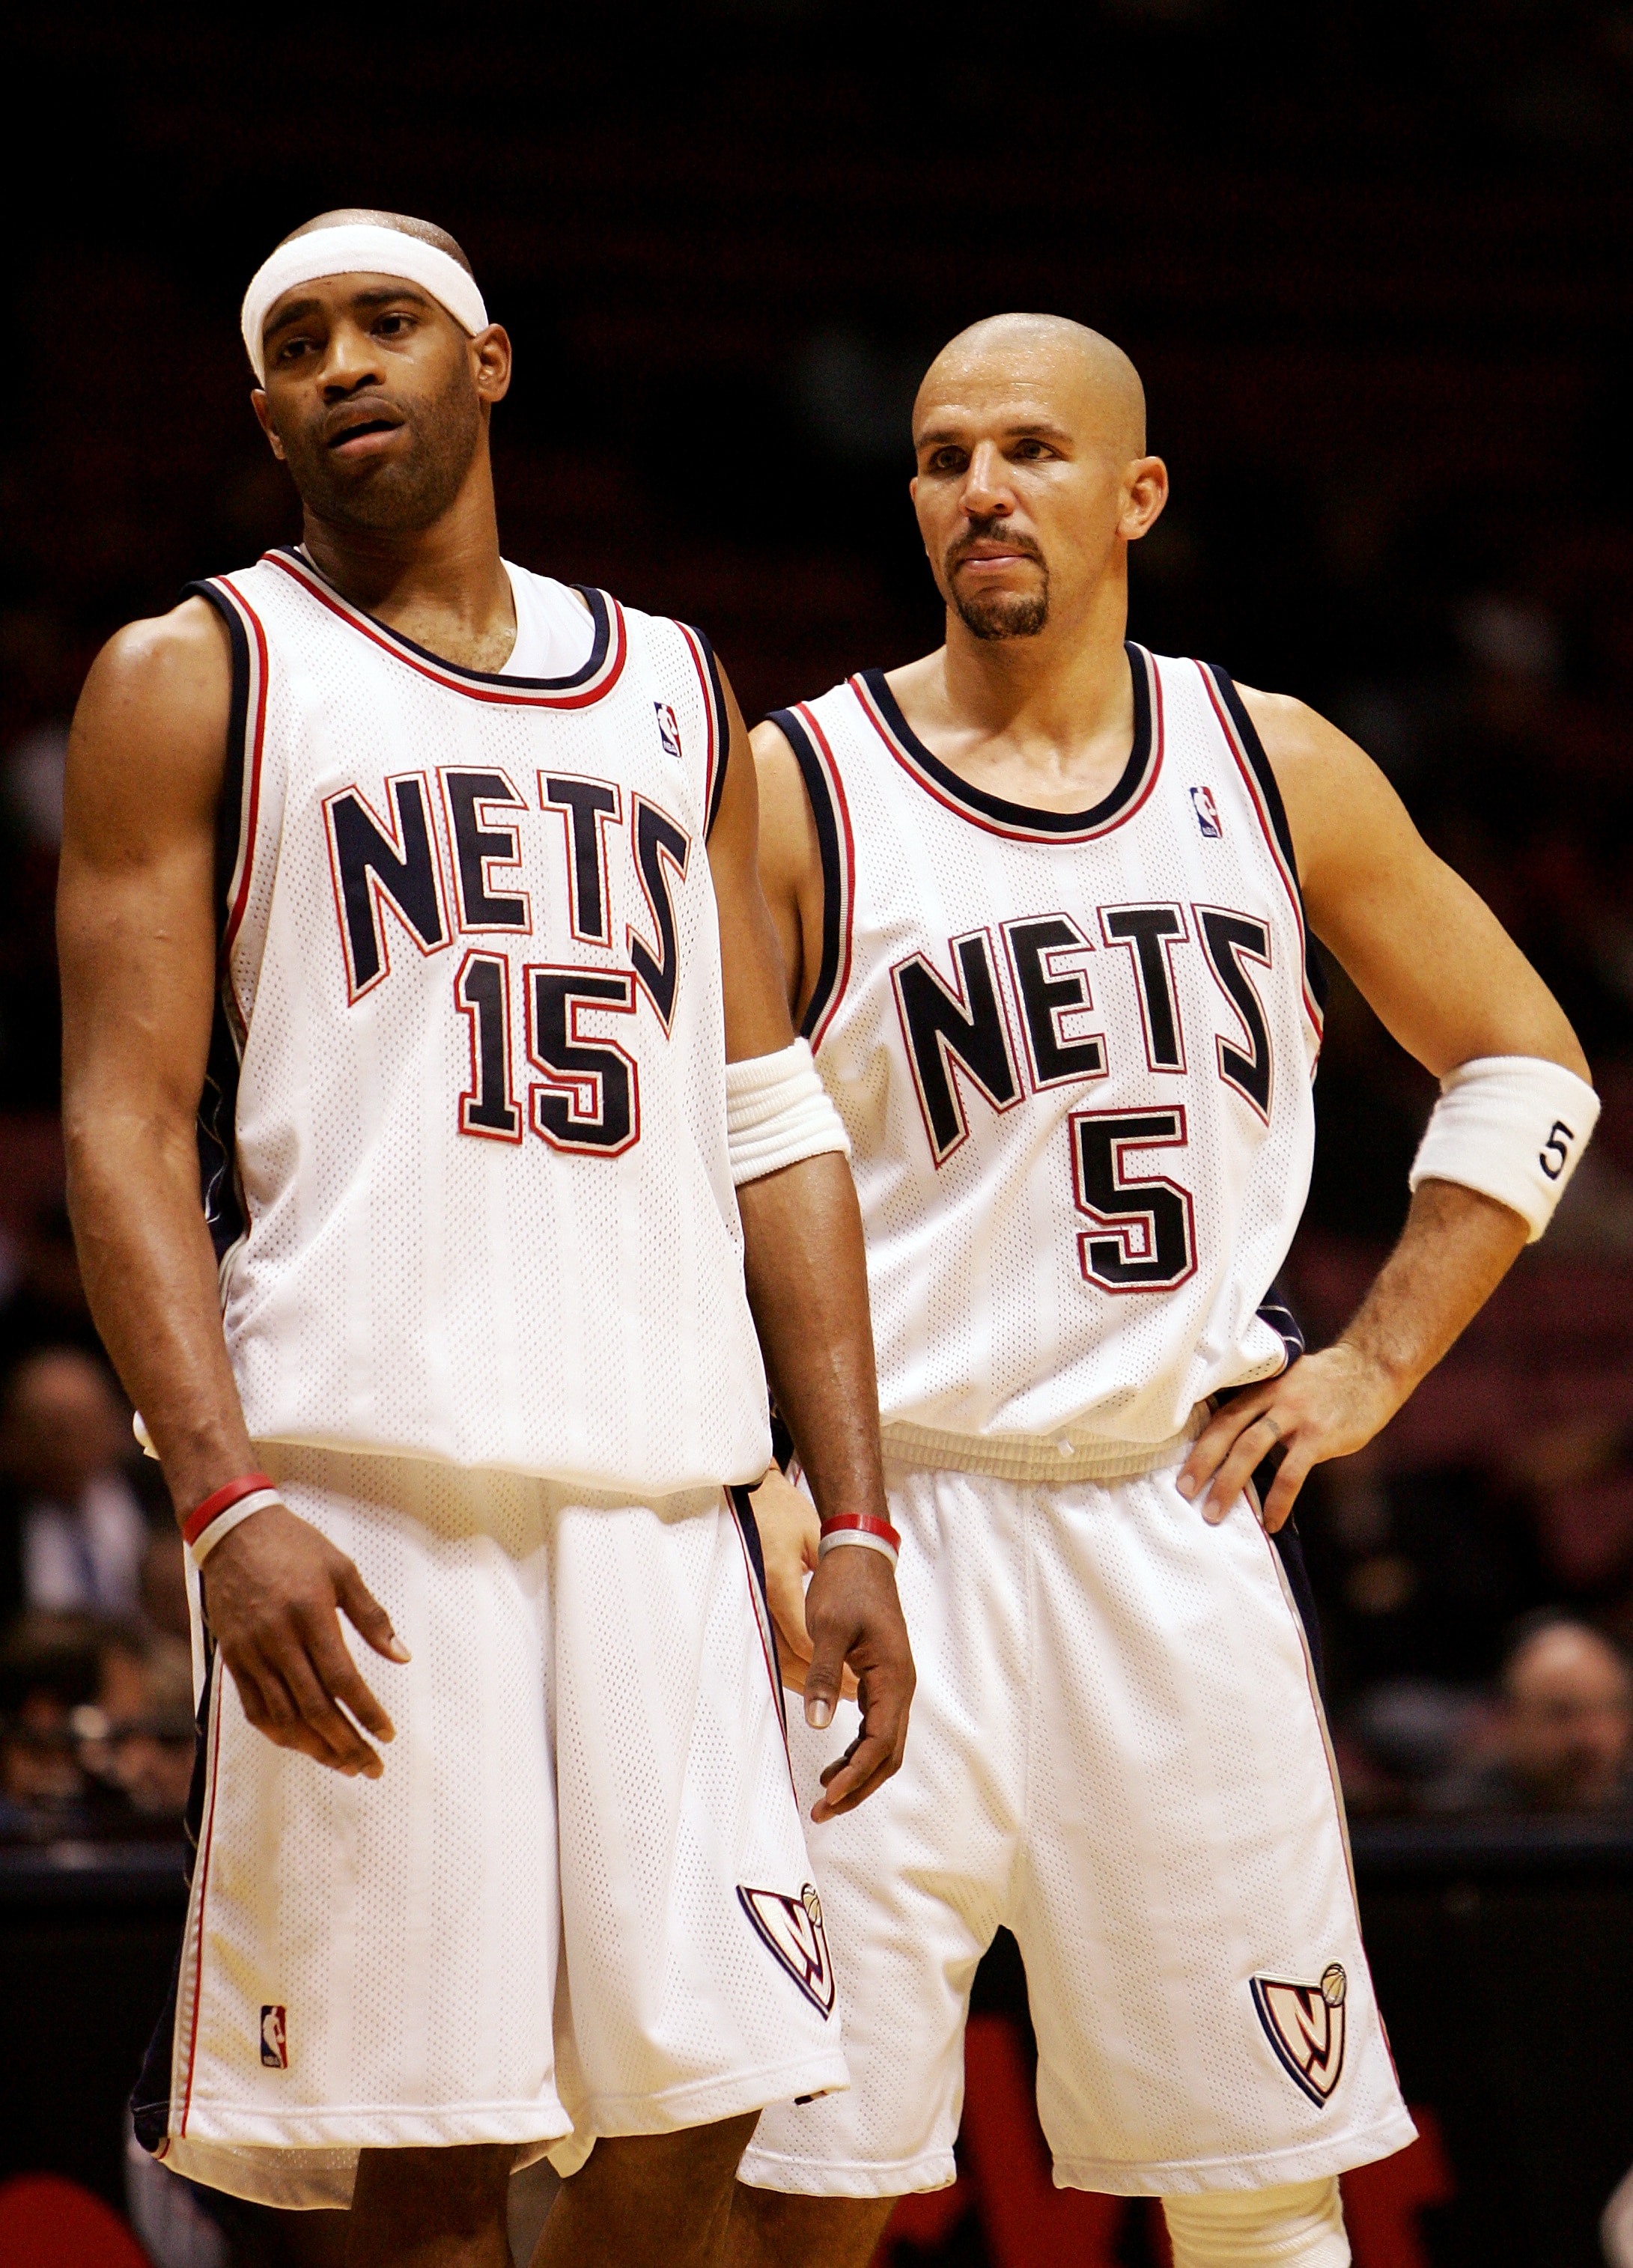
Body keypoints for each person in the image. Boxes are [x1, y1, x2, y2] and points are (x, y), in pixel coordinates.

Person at [58, 209, 913, 2268]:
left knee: (703, 2106)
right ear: (260, 411)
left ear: (490, 363)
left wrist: (860, 1513)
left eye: (386, 323)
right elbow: (116, 1119)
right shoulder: (195, 671)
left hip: (665, 1490)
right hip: (363, 1489)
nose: (344, 364)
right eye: (298, 343)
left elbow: (763, 1104)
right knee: (423, 2155)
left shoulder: (676, 684)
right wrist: (217, 1493)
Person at [729, 313, 1599, 2268]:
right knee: (808, 2180)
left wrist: (1375, 1362)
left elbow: (1525, 1065)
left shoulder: (1265, 760)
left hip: (1167, 1511)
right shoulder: (802, 783)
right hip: (887, 1523)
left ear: (1135, 494)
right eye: (944, 454)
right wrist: (762, 1474)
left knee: (1260, 2177)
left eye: (1030, 449)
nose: (980, 489)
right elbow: (695, 1164)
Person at [1452, 1615, 1633, 1811]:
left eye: (1608, 1710)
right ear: (1511, 1719)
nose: (1590, 1737)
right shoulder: (1455, 1820)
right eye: (1562, 1714)